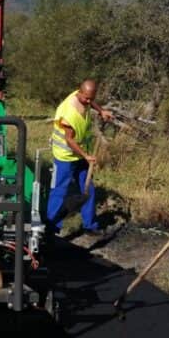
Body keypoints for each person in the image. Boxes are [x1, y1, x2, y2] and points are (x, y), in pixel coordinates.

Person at [46, 78, 113, 238]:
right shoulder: (68, 113)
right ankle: (51, 228)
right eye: (86, 98)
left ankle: (89, 225)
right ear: (79, 92)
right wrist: (86, 156)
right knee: (60, 190)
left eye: (92, 98)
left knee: (88, 187)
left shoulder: (85, 98)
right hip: (65, 156)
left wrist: (101, 110)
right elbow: (69, 140)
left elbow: (90, 102)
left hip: (81, 154)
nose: (89, 101)